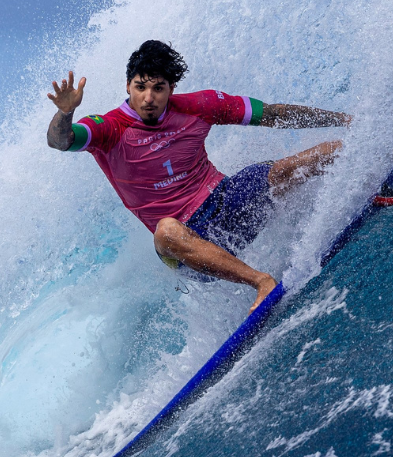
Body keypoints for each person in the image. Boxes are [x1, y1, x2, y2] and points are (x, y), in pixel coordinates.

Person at [47, 40, 351, 312]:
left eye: (158, 88)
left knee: (305, 160)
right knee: (165, 231)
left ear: (171, 89)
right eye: (141, 87)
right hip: (188, 246)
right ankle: (261, 281)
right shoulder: (109, 128)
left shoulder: (198, 107)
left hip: (229, 204)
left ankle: (361, 162)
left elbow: (272, 114)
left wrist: (344, 119)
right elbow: (60, 141)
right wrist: (65, 113)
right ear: (128, 86)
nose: (149, 97)